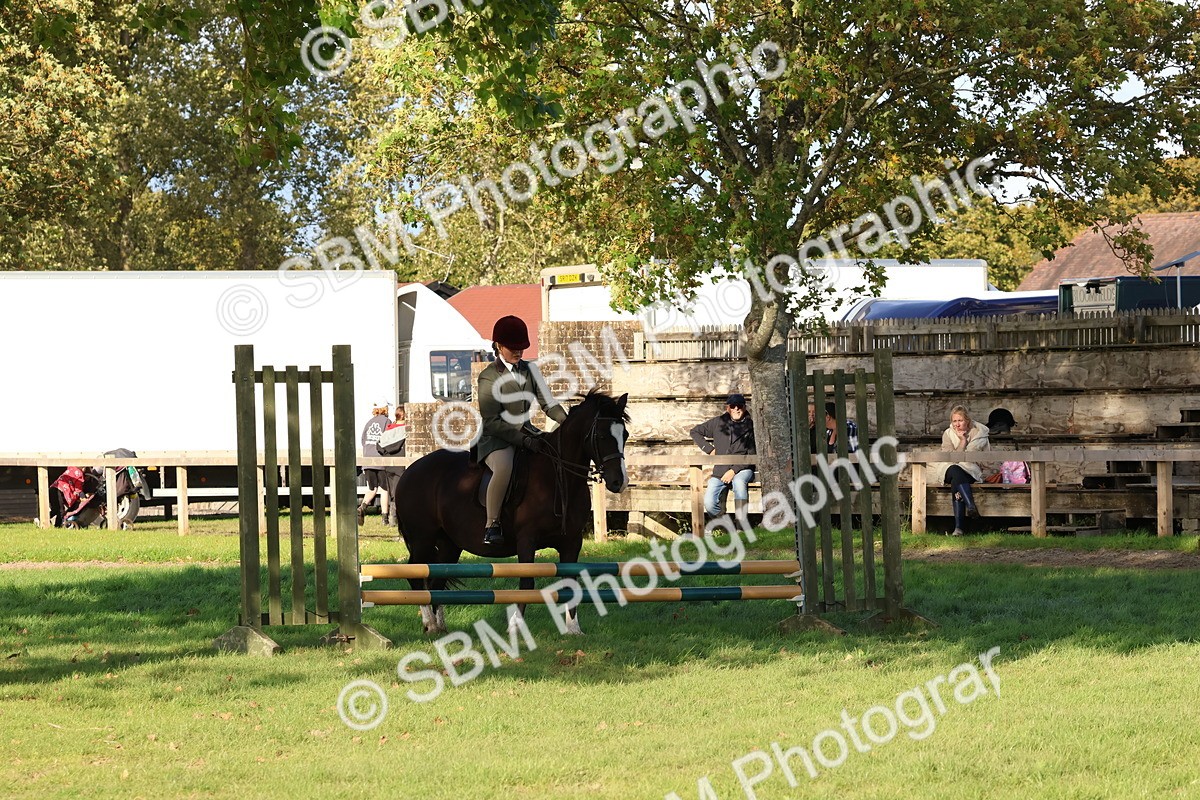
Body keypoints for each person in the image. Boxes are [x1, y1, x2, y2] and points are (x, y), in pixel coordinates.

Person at [477, 315, 568, 546]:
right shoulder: (488, 376)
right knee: (505, 467)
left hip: (528, 431)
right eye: (513, 348)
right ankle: (492, 525)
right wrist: (523, 441)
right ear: (498, 346)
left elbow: (548, 403)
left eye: (521, 348)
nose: (518, 352)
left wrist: (567, 421)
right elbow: (491, 421)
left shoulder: (531, 370)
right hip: (496, 439)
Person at [929, 405, 991, 536]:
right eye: (954, 421)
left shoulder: (979, 433)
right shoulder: (948, 434)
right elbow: (951, 458)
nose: (957, 424)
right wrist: (962, 441)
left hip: (970, 470)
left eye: (960, 420)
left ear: (967, 420)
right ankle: (971, 506)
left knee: (957, 480)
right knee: (955, 469)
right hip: (949, 468)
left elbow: (982, 458)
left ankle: (959, 528)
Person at [690, 393, 756, 518]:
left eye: (739, 406)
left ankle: (742, 526)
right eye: (733, 406)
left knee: (739, 483)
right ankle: (725, 523)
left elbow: (752, 455)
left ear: (744, 407)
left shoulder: (752, 426)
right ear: (728, 408)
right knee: (709, 503)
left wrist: (733, 471)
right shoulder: (718, 423)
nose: (736, 408)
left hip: (743, 468)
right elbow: (695, 431)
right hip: (720, 469)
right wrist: (709, 449)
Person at [358, 400, 391, 526]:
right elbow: (389, 438)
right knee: (384, 489)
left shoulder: (369, 422)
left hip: (367, 460)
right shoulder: (387, 421)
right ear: (385, 408)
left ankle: (362, 508)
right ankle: (385, 519)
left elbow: (362, 440)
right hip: (380, 459)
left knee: (372, 489)